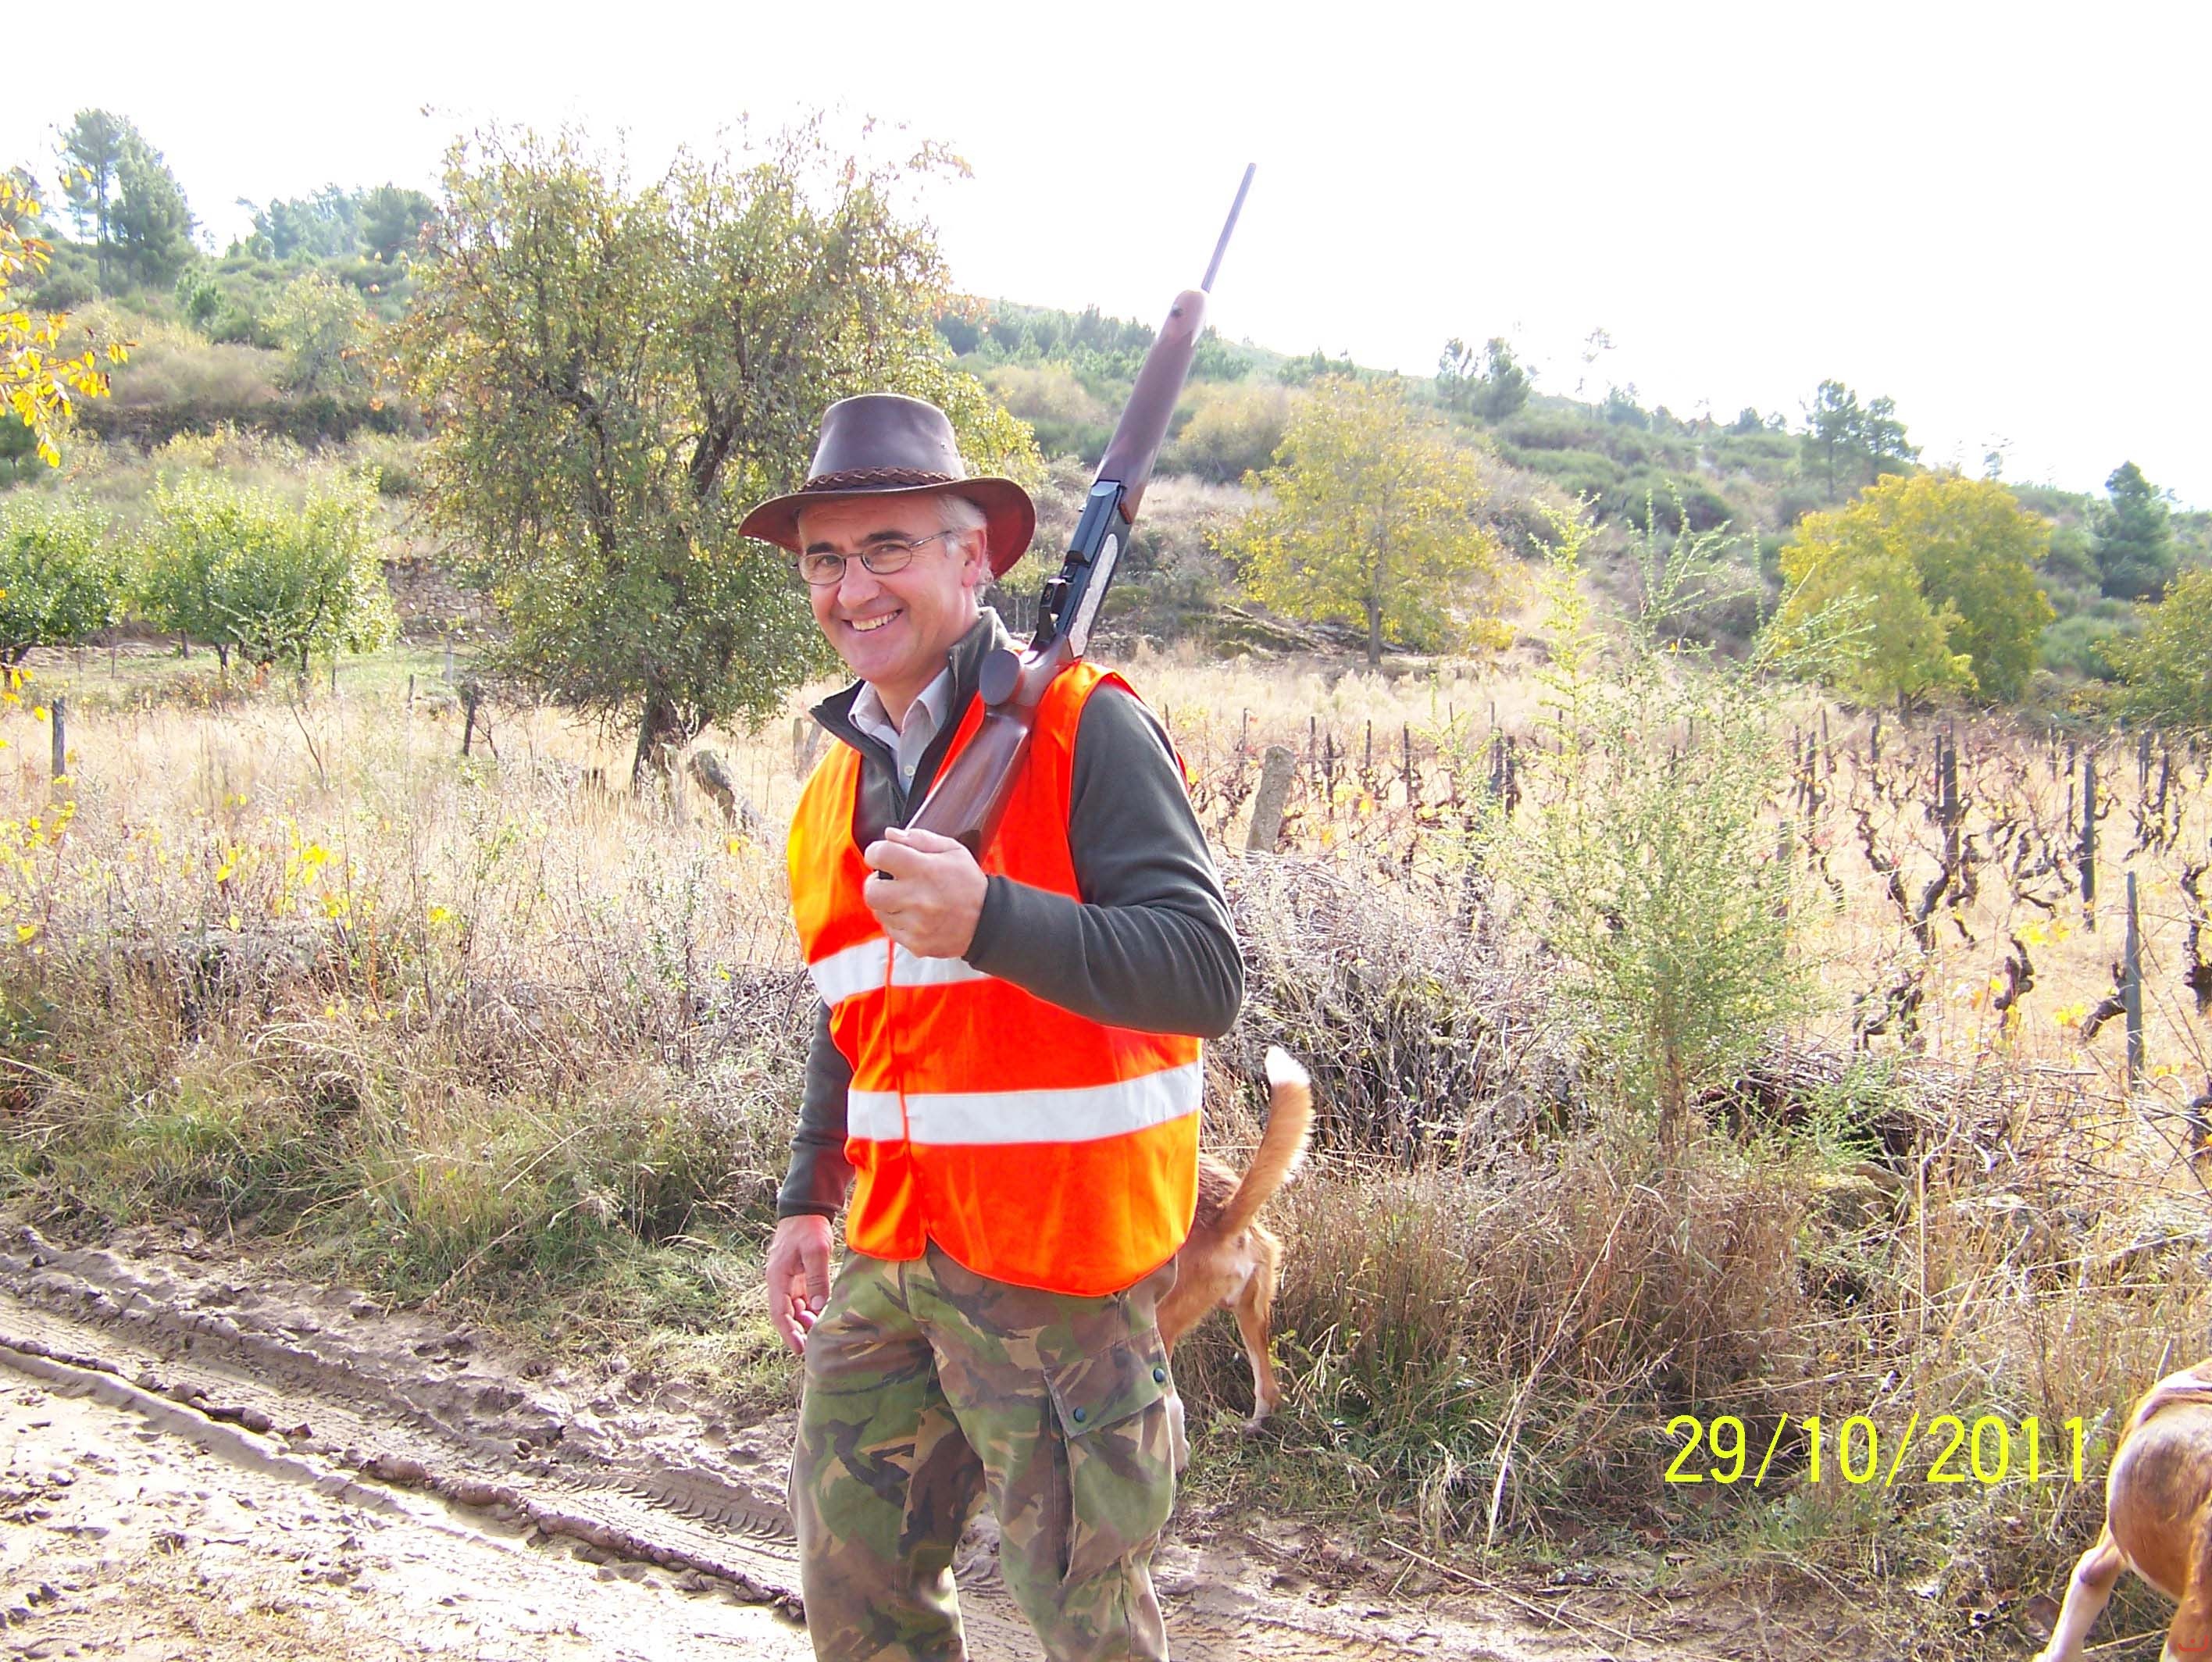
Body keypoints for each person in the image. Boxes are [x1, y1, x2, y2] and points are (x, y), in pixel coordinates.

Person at [741, 393, 1243, 1662]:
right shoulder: (833, 786)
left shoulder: (1084, 724)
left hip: (1061, 1278)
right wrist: (808, 1198)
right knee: (856, 1594)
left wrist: (991, 919)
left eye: (888, 547)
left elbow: (1203, 974)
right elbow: (858, 1013)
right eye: (825, 559)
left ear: (974, 560)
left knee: (1087, 1625)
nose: (853, 587)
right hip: (892, 1249)